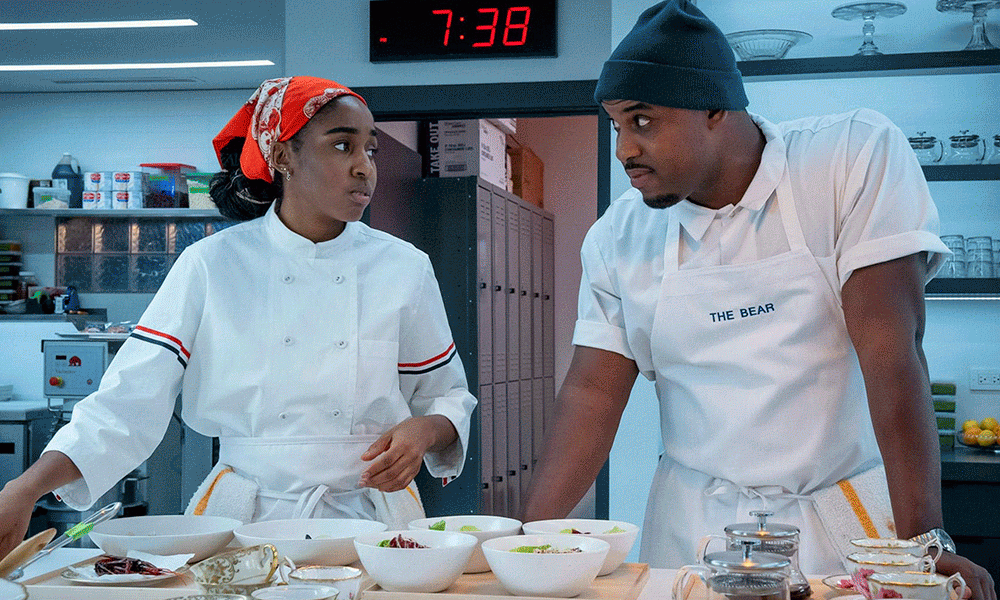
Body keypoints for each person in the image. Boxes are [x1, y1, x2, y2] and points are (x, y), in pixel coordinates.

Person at [522, 2, 995, 598]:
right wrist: (524, 546)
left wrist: (924, 542)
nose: (624, 150)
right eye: (616, 125)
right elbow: (591, 395)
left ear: (715, 107)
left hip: (841, 527)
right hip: (693, 535)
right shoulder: (619, 236)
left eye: (642, 120)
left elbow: (892, 353)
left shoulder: (847, 160)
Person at [0, 76, 477, 562]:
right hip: (244, 519)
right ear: (283, 156)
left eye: (370, 150)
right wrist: (24, 488)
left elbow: (445, 395)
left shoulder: (403, 267)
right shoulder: (212, 265)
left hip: (372, 522)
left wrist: (426, 430)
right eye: (342, 145)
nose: (364, 167)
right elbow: (126, 404)